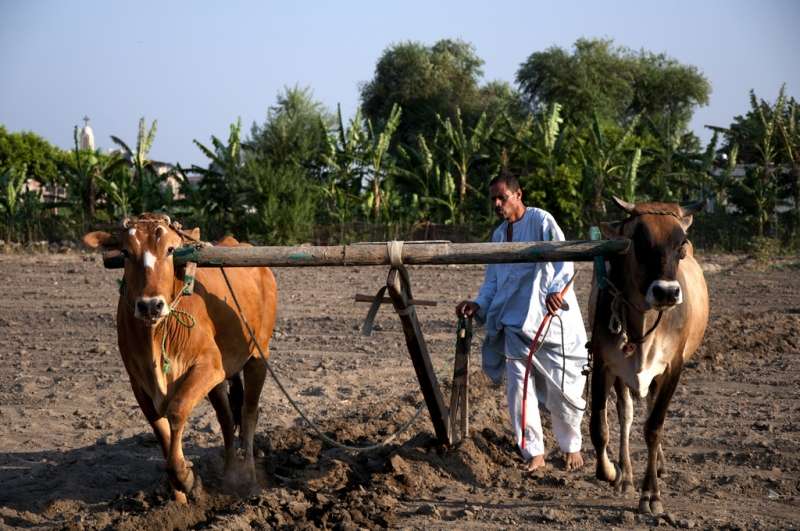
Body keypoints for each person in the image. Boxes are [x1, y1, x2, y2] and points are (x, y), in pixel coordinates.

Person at [456, 173, 588, 472]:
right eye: (493, 199)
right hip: (515, 324)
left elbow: (562, 260)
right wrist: (479, 304)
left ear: (518, 194)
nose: (497, 203)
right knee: (519, 390)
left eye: (502, 197)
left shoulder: (542, 222)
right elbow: (493, 281)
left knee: (564, 390)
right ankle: (534, 453)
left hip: (551, 323)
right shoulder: (499, 236)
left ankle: (570, 445)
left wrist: (556, 291)